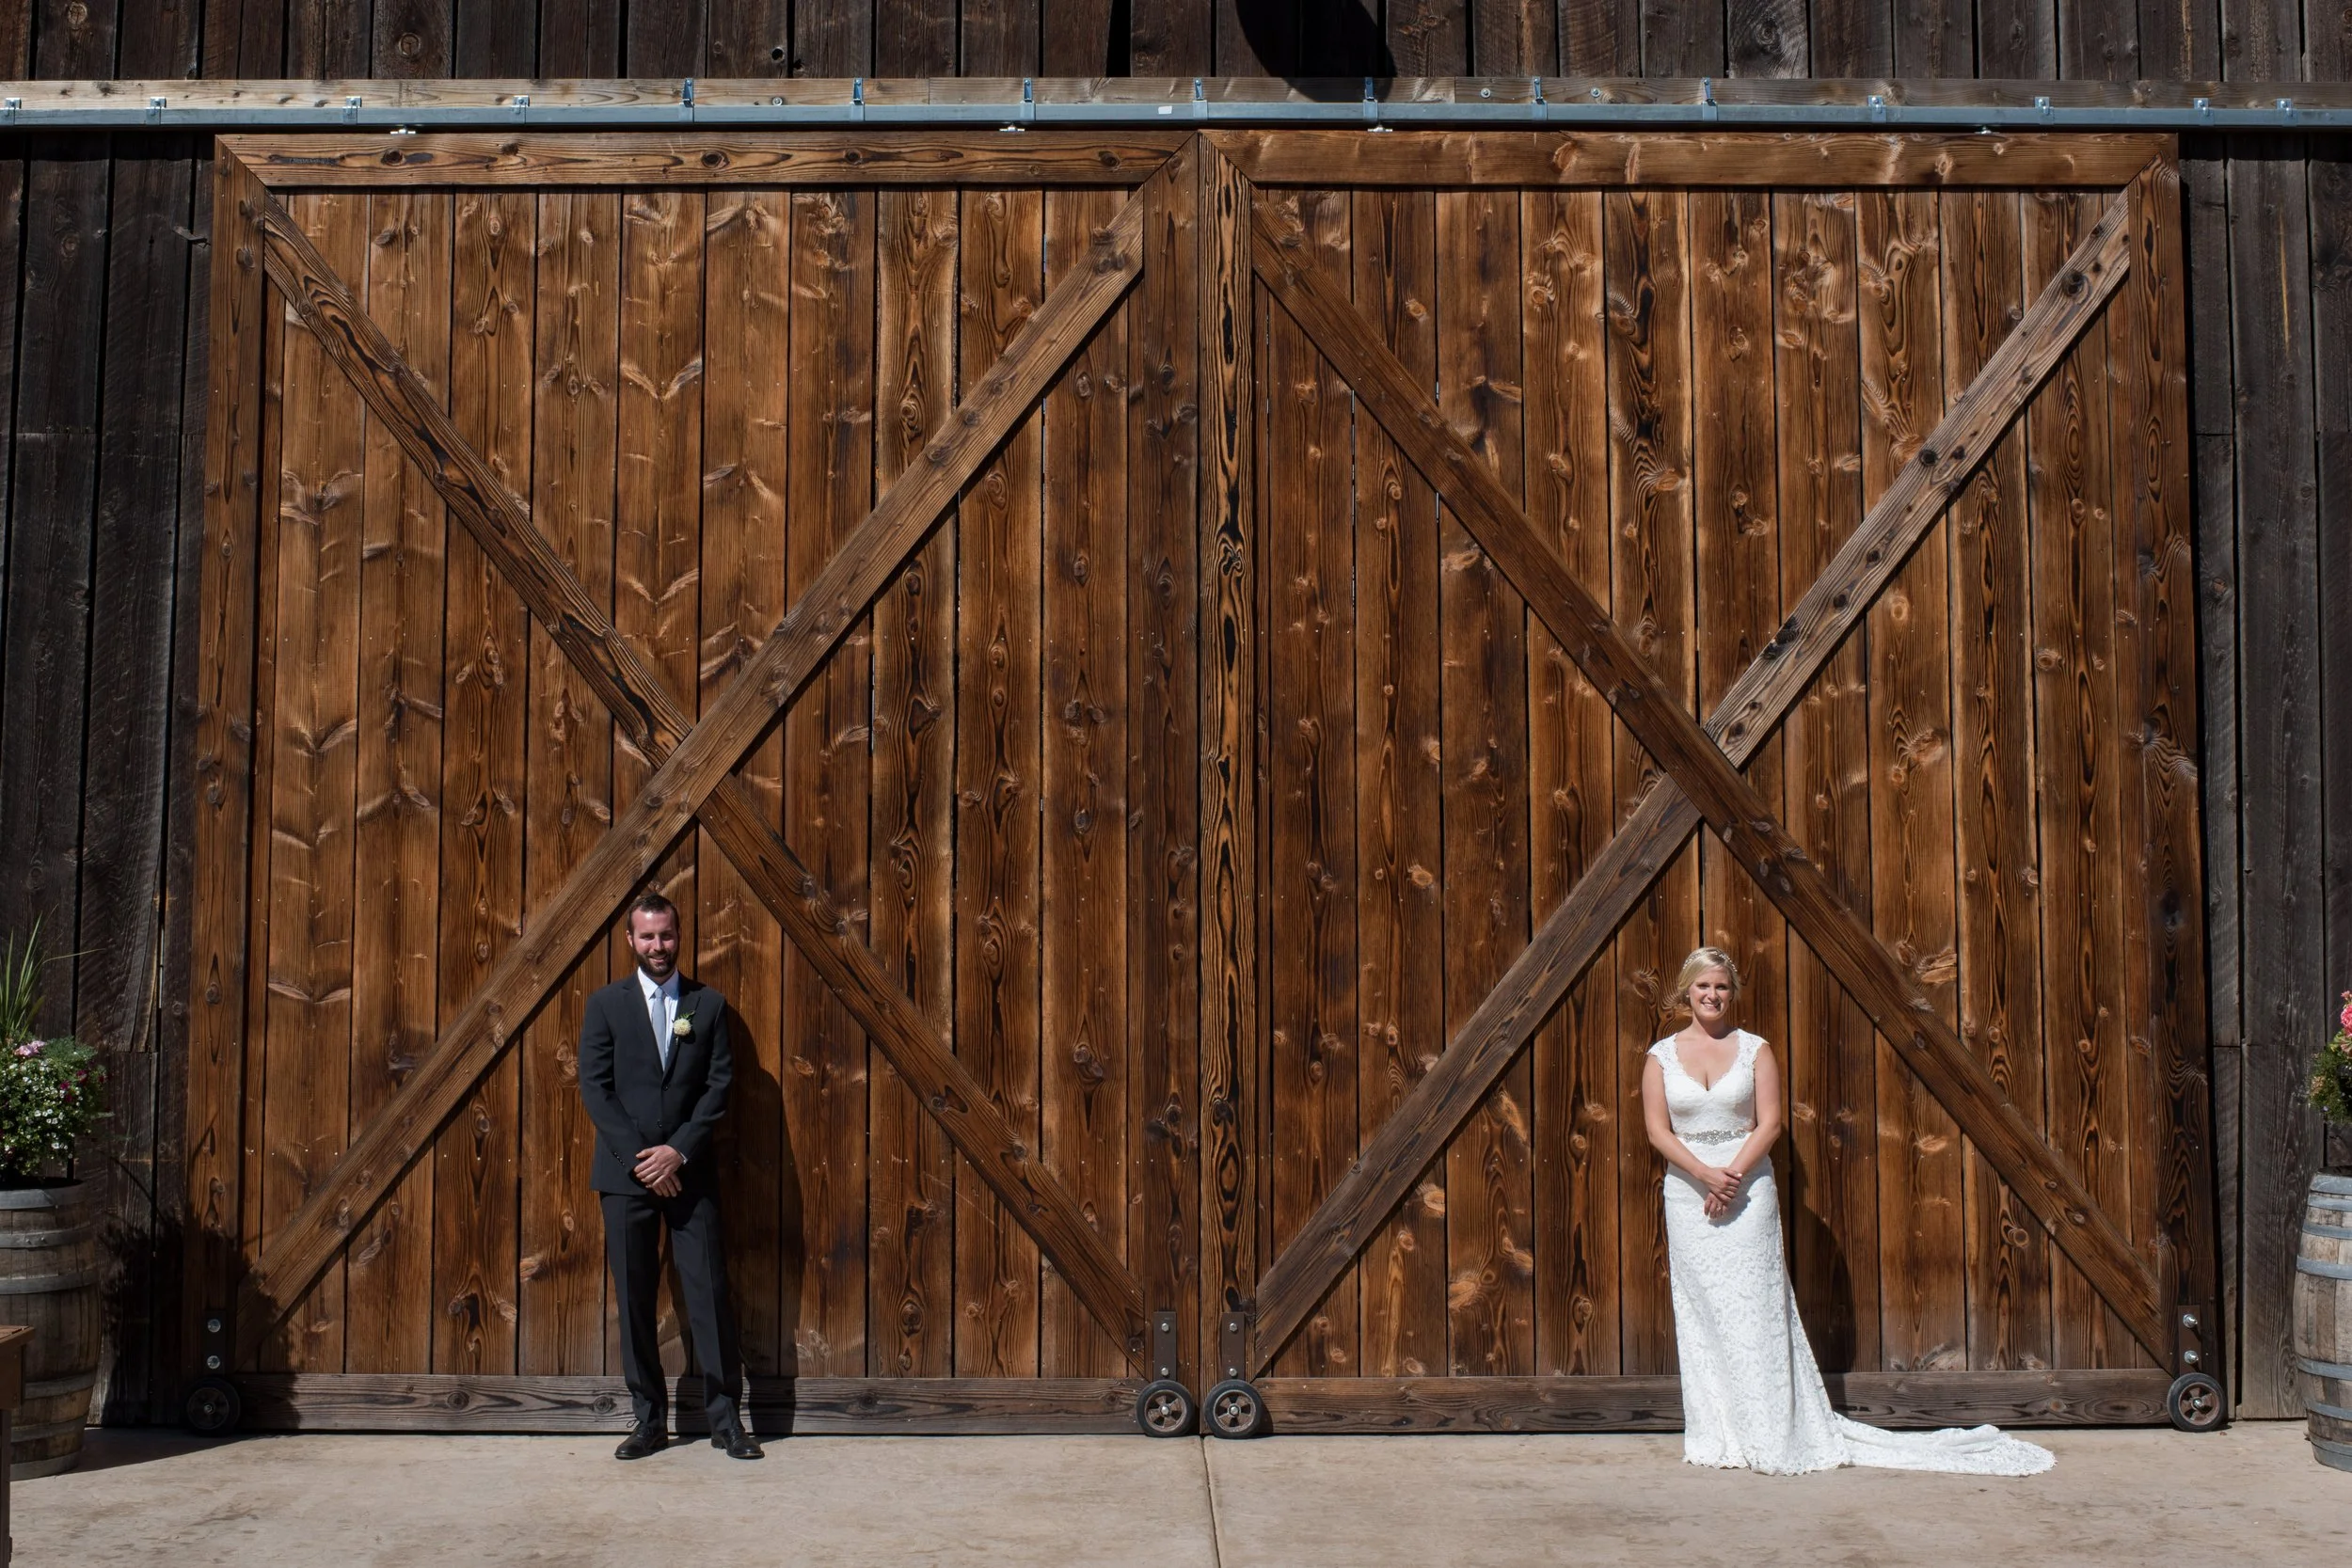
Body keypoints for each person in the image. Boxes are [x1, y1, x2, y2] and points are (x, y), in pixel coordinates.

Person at [1639, 945, 2053, 1476]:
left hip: (1746, 1189)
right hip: (1688, 1192)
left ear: (1732, 991)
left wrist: (1731, 1178)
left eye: (1721, 986)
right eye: (1703, 987)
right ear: (1686, 991)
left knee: (1756, 1308)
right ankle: (1720, 1429)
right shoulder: (1661, 1056)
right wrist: (1703, 1176)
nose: (1712, 995)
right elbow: (1657, 1130)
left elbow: (1768, 1124)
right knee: (1703, 1314)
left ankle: (1773, 1429)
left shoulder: (1755, 1050)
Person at [578, 892, 760, 1462]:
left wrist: (676, 1153)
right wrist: (644, 1160)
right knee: (634, 1301)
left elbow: (718, 1088)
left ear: (680, 936)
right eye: (647, 936)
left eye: (667, 935)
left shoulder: (707, 1006)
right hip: (625, 1177)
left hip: (690, 1175)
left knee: (709, 1297)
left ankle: (727, 1423)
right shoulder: (605, 1005)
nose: (658, 946)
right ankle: (648, 1421)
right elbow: (596, 1088)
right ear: (630, 940)